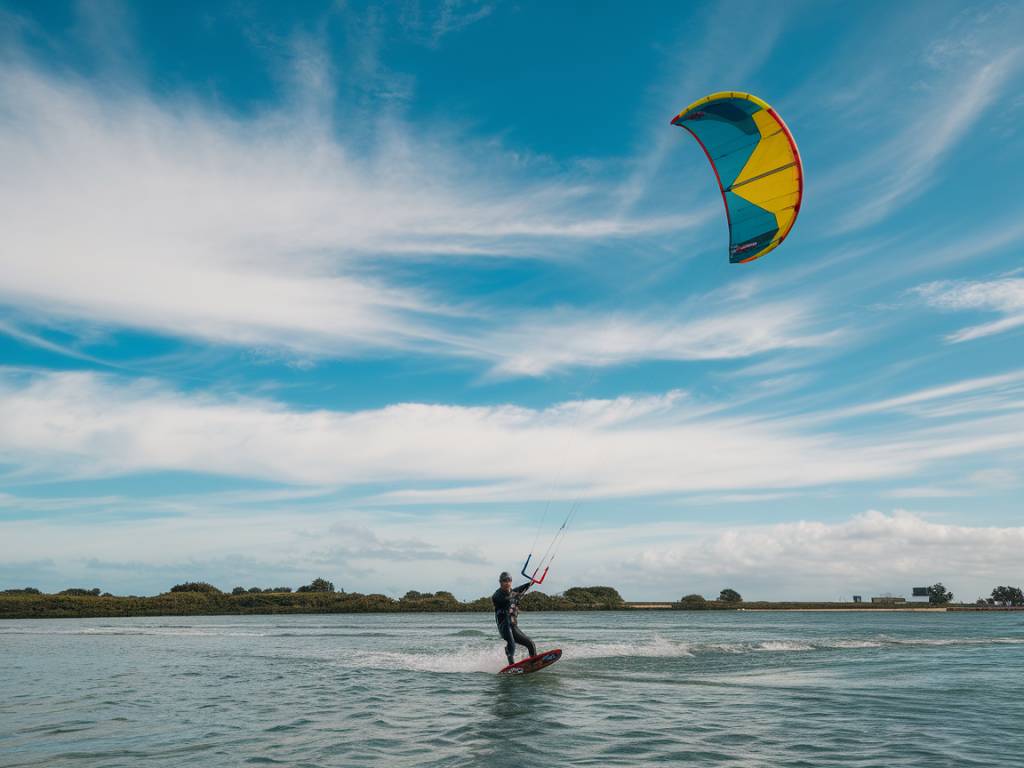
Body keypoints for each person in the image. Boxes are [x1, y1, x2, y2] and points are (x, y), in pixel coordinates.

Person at [492, 571, 537, 665]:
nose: (507, 582)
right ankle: (511, 665)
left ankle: (534, 662)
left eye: (509, 580)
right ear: (500, 582)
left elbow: (523, 588)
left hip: (513, 625)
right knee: (512, 645)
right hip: (504, 626)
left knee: (530, 643)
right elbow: (505, 600)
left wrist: (531, 583)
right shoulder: (496, 595)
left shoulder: (514, 592)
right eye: (504, 581)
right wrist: (516, 596)